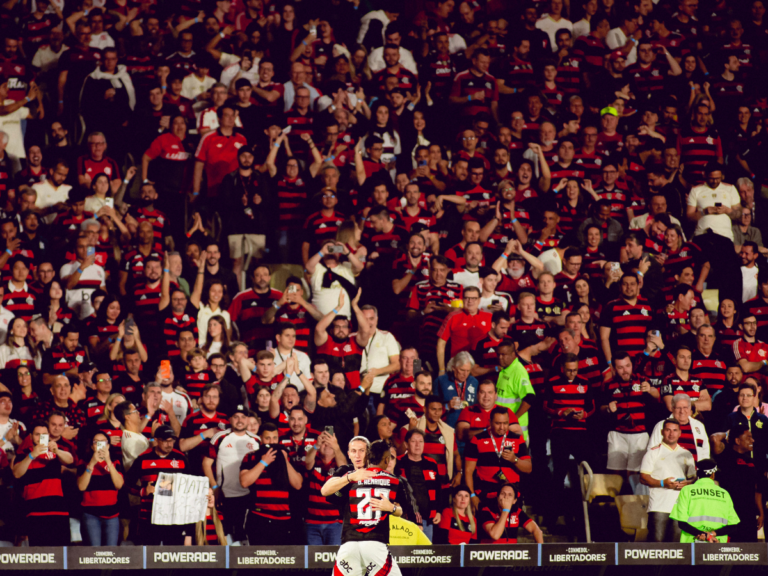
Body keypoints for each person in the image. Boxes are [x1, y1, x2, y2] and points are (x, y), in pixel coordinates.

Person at [322, 439, 410, 576]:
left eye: (361, 451)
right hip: (360, 541)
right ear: (348, 454)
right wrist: (351, 477)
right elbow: (325, 491)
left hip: (355, 544)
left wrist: (391, 507)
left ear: (369, 453)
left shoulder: (388, 478)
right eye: (353, 451)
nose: (357, 455)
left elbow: (402, 510)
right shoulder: (346, 472)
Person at [239, 422, 303, 545]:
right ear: (260, 439)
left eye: (275, 438)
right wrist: (263, 462)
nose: (272, 442)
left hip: (284, 518)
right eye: (267, 438)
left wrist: (285, 461)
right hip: (259, 518)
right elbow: (244, 482)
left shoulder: (286, 456)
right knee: (259, 560)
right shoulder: (251, 457)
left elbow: (298, 484)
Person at [204, 404, 259, 545]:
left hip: (248, 496)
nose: (239, 420)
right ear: (229, 419)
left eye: (243, 417)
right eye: (236, 417)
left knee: (244, 534)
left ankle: (243, 565)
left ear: (248, 419)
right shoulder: (219, 438)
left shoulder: (256, 440)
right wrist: (215, 488)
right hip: (224, 496)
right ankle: (226, 566)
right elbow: (206, 464)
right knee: (225, 534)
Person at [639, 419, 696, 542]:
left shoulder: (686, 453)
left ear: (680, 433)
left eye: (675, 430)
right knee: (657, 545)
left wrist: (687, 483)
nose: (671, 433)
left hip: (680, 507)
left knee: (676, 547)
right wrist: (662, 483)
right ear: (662, 432)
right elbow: (643, 478)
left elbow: (693, 478)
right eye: (668, 430)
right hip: (659, 506)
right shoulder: (653, 453)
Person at [670, 458, 741, 542]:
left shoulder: (686, 490)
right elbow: (733, 526)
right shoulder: (724, 493)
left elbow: (682, 524)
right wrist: (711, 535)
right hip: (717, 542)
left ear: (697, 473)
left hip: (692, 542)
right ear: (713, 474)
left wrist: (702, 534)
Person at [77, 431, 124, 546]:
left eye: (103, 442)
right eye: (96, 443)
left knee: (111, 553)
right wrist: (91, 464)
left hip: (112, 515)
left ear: (108, 445)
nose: (100, 445)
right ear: (92, 446)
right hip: (91, 514)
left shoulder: (116, 461)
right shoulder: (84, 462)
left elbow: (119, 484)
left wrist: (108, 461)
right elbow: (81, 487)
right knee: (94, 552)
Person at [478, 483, 544, 543]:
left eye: (510, 495)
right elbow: (495, 535)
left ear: (514, 501)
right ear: (497, 497)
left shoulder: (517, 512)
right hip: (491, 553)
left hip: (511, 553)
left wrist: (540, 552)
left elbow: (537, 530)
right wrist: (506, 510)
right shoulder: (486, 510)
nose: (506, 497)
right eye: (503, 494)